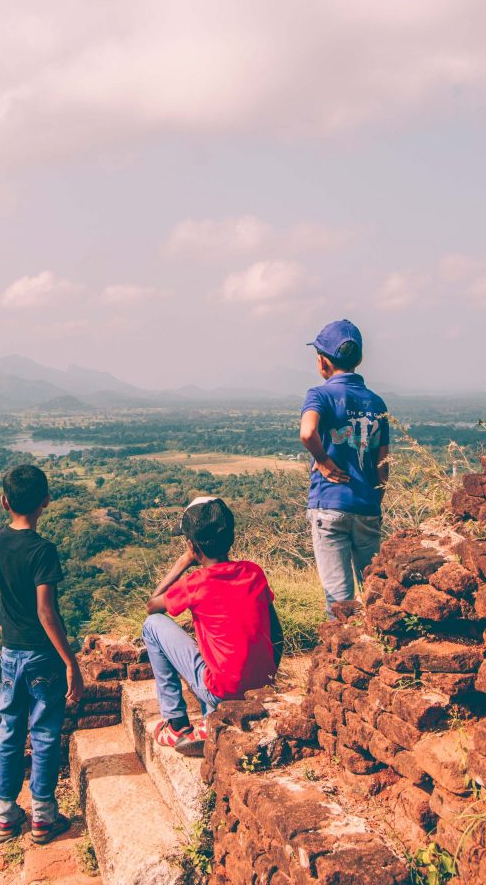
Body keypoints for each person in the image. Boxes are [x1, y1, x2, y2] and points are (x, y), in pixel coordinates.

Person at [142, 496, 282, 753]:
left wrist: (183, 562)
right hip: (263, 683)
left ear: (194, 548)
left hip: (222, 689)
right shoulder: (253, 572)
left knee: (152, 625)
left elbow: (152, 605)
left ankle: (176, 724)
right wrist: (269, 676)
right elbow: (276, 631)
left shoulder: (195, 583)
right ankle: (211, 718)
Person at [0, 464, 84, 845]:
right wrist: (71, 662)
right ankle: (44, 817)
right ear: (46, 501)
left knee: (10, 732)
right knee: (44, 734)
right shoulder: (43, 550)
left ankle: (6, 814)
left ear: (4, 501)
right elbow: (46, 612)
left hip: (10, 653)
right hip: (42, 657)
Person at [299, 319, 390, 618]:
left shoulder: (320, 394)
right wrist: (376, 499)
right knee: (375, 593)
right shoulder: (376, 402)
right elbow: (382, 461)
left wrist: (323, 461)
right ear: (359, 360)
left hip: (330, 505)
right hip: (366, 506)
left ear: (323, 362)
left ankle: (341, 661)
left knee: (339, 603)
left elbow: (307, 432)